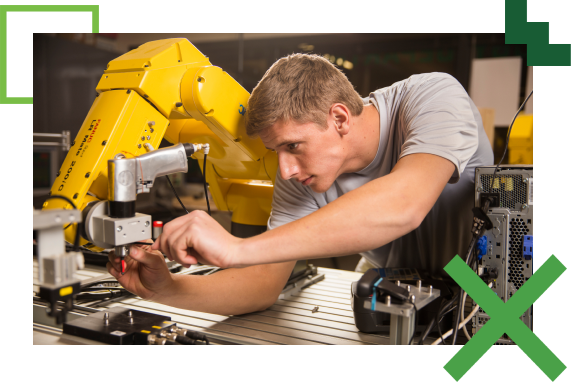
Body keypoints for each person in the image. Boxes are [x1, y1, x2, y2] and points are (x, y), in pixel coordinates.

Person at [106, 54, 493, 315]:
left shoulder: (431, 97)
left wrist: (236, 249)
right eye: (277, 152)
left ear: (339, 118)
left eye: (292, 146)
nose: (286, 169)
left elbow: (404, 204)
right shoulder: (303, 175)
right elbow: (262, 283)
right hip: (397, 305)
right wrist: (166, 289)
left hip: (485, 303)